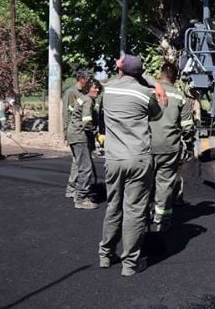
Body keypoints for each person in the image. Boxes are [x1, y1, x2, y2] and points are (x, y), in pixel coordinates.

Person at [98, 54, 165, 277]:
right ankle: (129, 264)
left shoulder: (107, 90)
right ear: (139, 73)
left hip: (114, 159)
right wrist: (151, 81)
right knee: (134, 211)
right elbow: (157, 114)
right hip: (138, 158)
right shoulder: (145, 94)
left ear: (120, 69)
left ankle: (106, 255)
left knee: (113, 206)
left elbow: (121, 74)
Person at [149, 62, 195, 232]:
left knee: (144, 182)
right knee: (165, 184)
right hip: (169, 147)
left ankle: (144, 215)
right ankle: (162, 220)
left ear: (160, 75)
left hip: (146, 146)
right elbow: (188, 127)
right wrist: (187, 143)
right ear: (175, 77)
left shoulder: (148, 92)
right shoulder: (180, 96)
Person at [67, 79, 102, 210]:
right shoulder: (88, 100)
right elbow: (87, 121)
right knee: (85, 168)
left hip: (74, 134)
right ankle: (81, 199)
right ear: (88, 88)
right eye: (94, 88)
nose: (97, 90)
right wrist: (94, 132)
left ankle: (74, 192)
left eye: (98, 88)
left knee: (78, 164)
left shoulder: (82, 98)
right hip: (80, 136)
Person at [64, 70, 92, 199]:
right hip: (75, 131)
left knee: (77, 162)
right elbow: (66, 113)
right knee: (78, 163)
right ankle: (72, 189)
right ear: (81, 79)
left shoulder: (83, 94)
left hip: (82, 132)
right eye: (87, 79)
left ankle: (73, 188)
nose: (89, 81)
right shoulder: (71, 92)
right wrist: (66, 131)